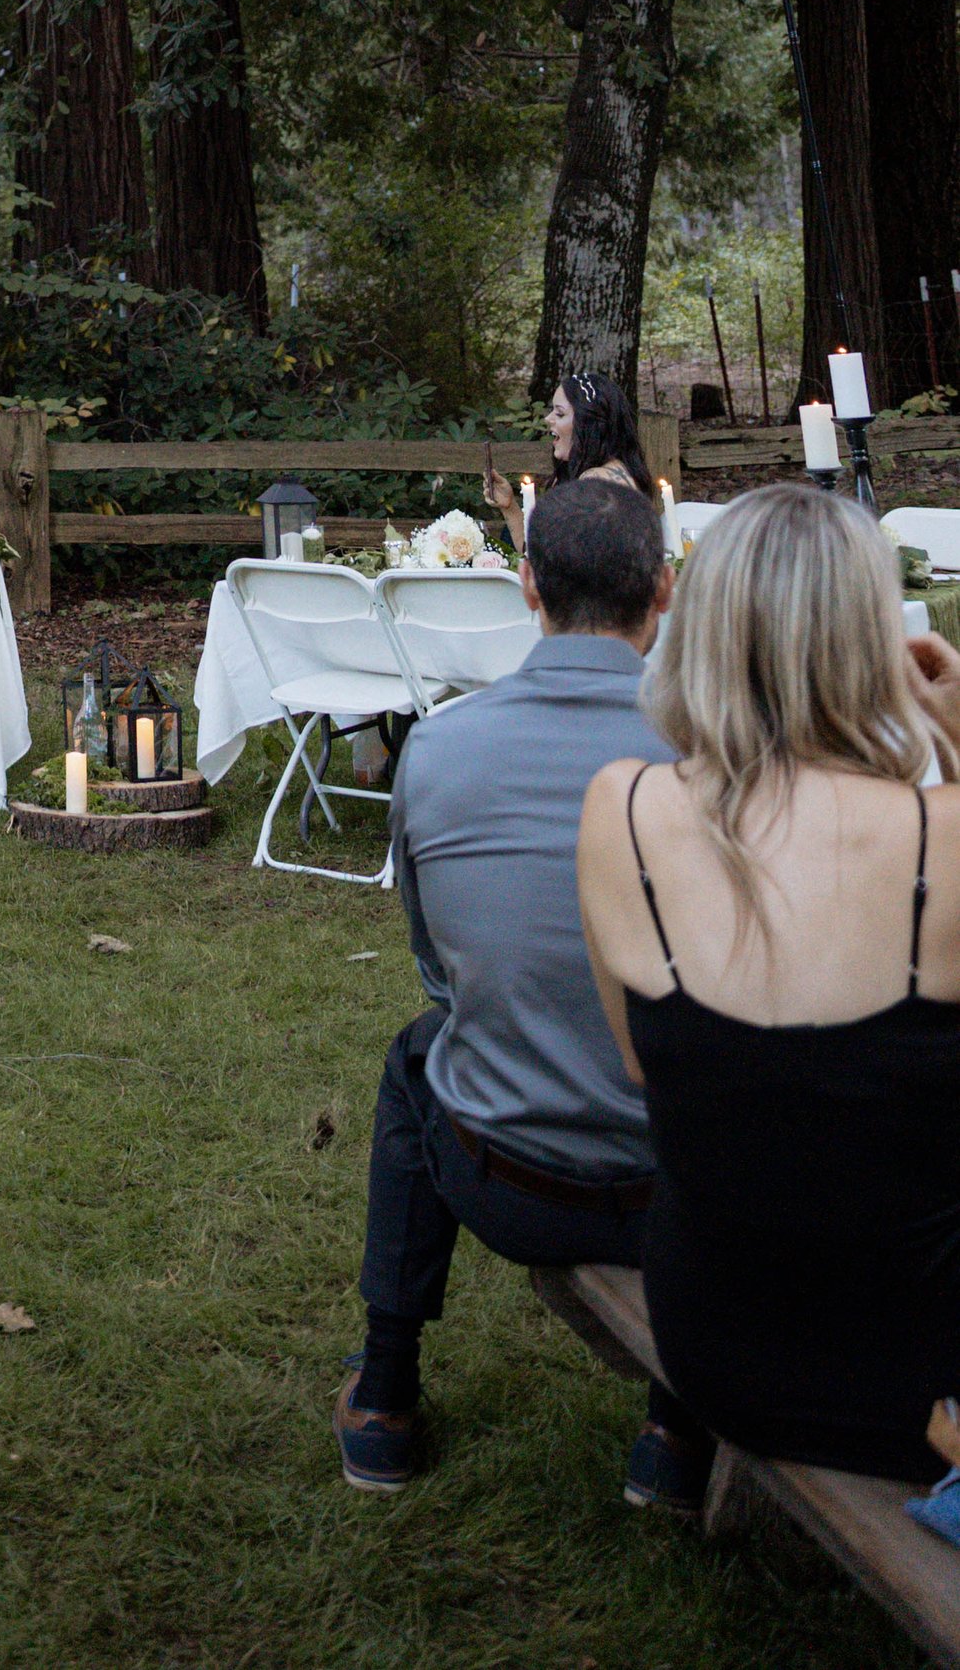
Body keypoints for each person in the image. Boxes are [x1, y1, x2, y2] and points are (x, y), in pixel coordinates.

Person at [577, 483, 960, 1487]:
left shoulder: (622, 811)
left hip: (722, 1360)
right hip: (928, 1379)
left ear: (697, 627)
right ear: (873, 639)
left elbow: (637, 1064)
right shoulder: (945, 838)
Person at [336, 481, 707, 1506]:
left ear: (527, 585)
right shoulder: (713, 756)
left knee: (417, 1057)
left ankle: (383, 1398)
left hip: (504, 1176)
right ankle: (675, 1433)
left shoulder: (440, 746)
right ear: (664, 592)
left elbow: (435, 966)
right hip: (681, 1193)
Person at [484, 369, 654, 549]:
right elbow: (538, 555)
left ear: (588, 424)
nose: (548, 419)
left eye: (560, 414)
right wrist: (509, 507)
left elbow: (563, 564)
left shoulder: (596, 482)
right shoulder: (602, 471)